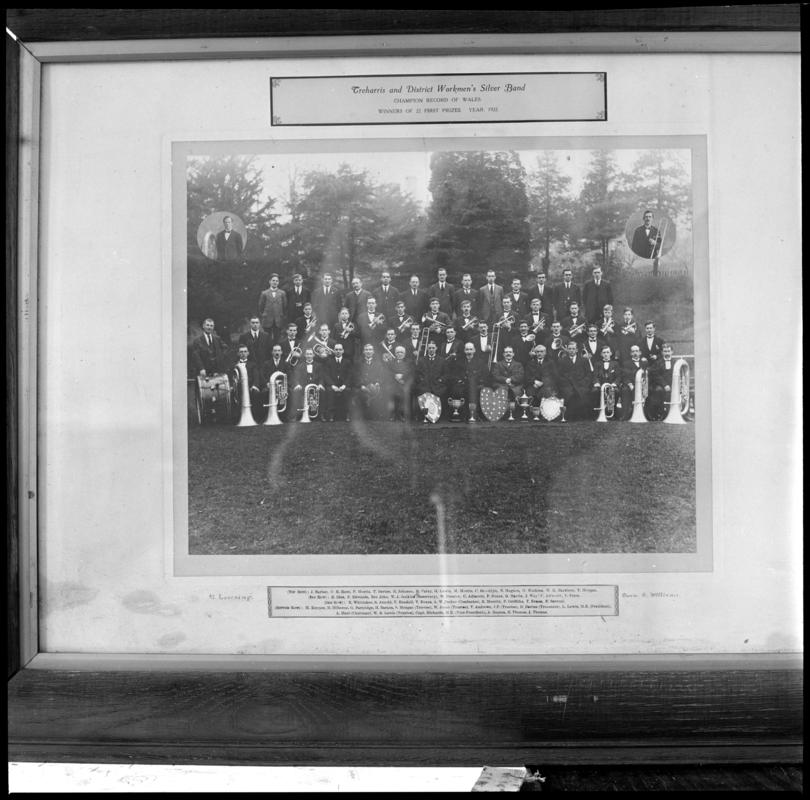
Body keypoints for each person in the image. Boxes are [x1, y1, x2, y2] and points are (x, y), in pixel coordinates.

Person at [447, 342, 487, 421]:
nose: (469, 351)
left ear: (474, 350)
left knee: (475, 389)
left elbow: (484, 375)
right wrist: (459, 380)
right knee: (456, 390)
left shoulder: (480, 362)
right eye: (467, 349)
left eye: (471, 349)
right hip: (463, 384)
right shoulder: (459, 362)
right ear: (464, 351)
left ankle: (474, 414)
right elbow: (455, 374)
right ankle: (460, 415)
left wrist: (478, 381)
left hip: (475, 384)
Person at [557, 340, 597, 420]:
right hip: (568, 386)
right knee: (570, 395)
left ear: (577, 350)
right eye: (570, 349)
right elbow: (560, 376)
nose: (571, 351)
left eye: (573, 349)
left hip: (581, 384)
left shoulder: (584, 360)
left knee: (583, 395)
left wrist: (584, 383)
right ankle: (570, 416)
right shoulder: (562, 361)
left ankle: (583, 416)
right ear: (567, 349)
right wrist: (566, 384)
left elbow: (589, 374)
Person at [414, 340, 447, 419]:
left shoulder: (442, 360)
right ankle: (424, 416)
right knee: (422, 392)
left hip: (437, 385)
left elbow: (446, 374)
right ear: (427, 349)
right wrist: (422, 380)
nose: (431, 349)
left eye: (433, 348)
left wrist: (440, 380)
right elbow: (417, 373)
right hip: (425, 384)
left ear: (436, 348)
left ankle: (436, 416)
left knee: (440, 393)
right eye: (429, 348)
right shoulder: (422, 360)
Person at [353, 342, 386, 420]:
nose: (368, 351)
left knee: (378, 394)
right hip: (362, 386)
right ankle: (362, 416)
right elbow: (356, 376)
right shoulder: (358, 363)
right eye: (366, 350)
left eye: (370, 350)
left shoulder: (378, 363)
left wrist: (377, 383)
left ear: (373, 352)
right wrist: (361, 385)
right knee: (361, 395)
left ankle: (375, 415)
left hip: (374, 385)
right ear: (364, 352)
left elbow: (381, 375)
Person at [290, 347, 324, 421]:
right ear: (305, 355)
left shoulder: (319, 365)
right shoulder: (299, 366)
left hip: (315, 387)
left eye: (310, 354)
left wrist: (320, 384)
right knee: (296, 392)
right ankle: (297, 415)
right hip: (303, 387)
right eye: (307, 354)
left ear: (313, 355)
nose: (309, 356)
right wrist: (297, 384)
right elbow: (296, 377)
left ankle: (319, 415)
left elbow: (321, 377)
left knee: (322, 392)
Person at [323, 341, 352, 422]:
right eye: (336, 349)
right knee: (329, 391)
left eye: (340, 349)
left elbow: (350, 376)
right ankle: (331, 415)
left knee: (347, 391)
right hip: (333, 385)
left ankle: (347, 414)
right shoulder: (329, 361)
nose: (338, 351)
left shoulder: (347, 362)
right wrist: (332, 385)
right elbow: (326, 375)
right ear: (334, 351)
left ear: (343, 351)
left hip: (343, 385)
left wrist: (344, 386)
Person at [261, 343, 290, 421]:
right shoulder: (266, 363)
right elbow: (262, 376)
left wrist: (284, 385)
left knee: (285, 393)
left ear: (281, 352)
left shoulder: (286, 364)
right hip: (270, 386)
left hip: (282, 386)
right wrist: (267, 383)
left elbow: (289, 376)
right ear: (272, 352)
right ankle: (266, 416)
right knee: (264, 392)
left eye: (279, 350)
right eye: (275, 350)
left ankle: (283, 416)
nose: (277, 352)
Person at [231, 344, 261, 421]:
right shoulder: (234, 365)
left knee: (256, 393)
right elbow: (232, 377)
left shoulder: (253, 364)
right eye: (241, 352)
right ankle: (236, 417)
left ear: (248, 353)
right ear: (238, 354)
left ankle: (255, 417)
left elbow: (256, 376)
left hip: (250, 387)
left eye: (245, 351)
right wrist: (232, 386)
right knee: (231, 394)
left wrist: (254, 386)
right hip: (238, 388)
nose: (243, 354)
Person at [524, 344, 559, 409]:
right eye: (537, 352)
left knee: (546, 392)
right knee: (530, 392)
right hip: (534, 385)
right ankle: (533, 413)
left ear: (545, 353)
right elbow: (527, 377)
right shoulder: (530, 363)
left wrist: (543, 383)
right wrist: (534, 381)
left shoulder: (551, 363)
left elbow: (555, 377)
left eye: (541, 351)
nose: (539, 353)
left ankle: (545, 412)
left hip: (547, 385)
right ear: (535, 353)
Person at [648, 342, 676, 421]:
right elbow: (656, 375)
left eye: (668, 351)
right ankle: (659, 413)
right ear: (662, 352)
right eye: (665, 351)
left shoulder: (676, 363)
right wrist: (665, 385)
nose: (667, 353)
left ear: (672, 352)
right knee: (658, 390)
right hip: (660, 384)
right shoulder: (657, 363)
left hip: (673, 385)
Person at [386, 345, 414, 421]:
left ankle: (402, 414)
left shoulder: (409, 362)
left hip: (404, 383)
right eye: (398, 352)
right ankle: (392, 414)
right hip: (393, 383)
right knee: (391, 391)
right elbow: (388, 372)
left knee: (404, 392)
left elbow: (410, 372)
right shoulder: (391, 362)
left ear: (404, 354)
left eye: (401, 352)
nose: (399, 354)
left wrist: (402, 377)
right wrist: (395, 376)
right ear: (395, 353)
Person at [619, 344, 647, 421]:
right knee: (625, 390)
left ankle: (647, 414)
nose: (635, 353)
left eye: (637, 351)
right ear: (631, 353)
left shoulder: (644, 362)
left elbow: (647, 374)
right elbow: (624, 376)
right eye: (633, 351)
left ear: (640, 353)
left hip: (642, 384)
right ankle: (625, 414)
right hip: (630, 384)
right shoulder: (626, 363)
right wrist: (629, 384)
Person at [594, 344, 621, 419]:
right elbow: (595, 376)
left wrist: (615, 383)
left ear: (611, 353)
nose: (606, 354)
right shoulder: (597, 364)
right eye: (604, 352)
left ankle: (612, 412)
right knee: (594, 391)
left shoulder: (615, 364)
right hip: (600, 385)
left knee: (615, 391)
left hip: (611, 385)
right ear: (601, 354)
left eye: (607, 352)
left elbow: (619, 376)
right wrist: (597, 383)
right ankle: (597, 412)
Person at [258, 273, 287, 342]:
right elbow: (261, 307)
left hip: (278, 320)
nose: (275, 282)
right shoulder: (264, 293)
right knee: (267, 339)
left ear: (278, 282)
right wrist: (264, 315)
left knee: (277, 339)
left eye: (277, 281)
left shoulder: (282, 293)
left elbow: (285, 306)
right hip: (267, 319)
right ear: (270, 281)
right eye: (273, 280)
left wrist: (282, 316)